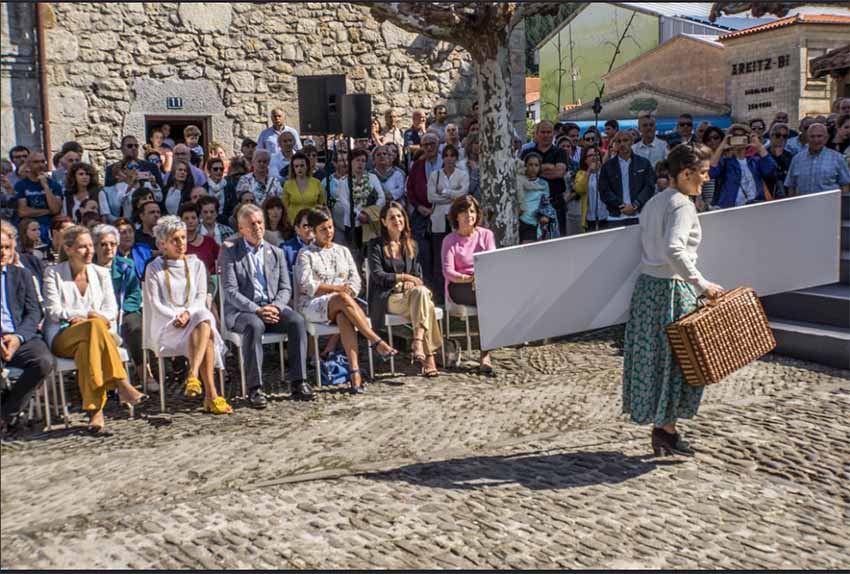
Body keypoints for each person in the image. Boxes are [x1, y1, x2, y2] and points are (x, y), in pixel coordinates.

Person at [622, 143, 724, 457]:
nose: (706, 178)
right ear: (686, 173)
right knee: (679, 362)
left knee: (656, 360)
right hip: (670, 290)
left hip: (648, 289)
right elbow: (674, 249)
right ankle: (666, 430)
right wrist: (703, 284)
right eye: (703, 173)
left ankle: (664, 429)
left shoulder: (656, 201)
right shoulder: (682, 204)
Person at [43, 225, 148, 433]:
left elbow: (111, 310)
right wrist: (88, 315)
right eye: (83, 247)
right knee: (93, 325)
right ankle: (120, 382)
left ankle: (95, 413)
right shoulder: (53, 273)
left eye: (91, 245)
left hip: (92, 336)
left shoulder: (100, 273)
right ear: (69, 248)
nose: (90, 251)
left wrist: (90, 317)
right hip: (63, 335)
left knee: (88, 346)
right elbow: (53, 310)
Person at [295, 207, 398, 394]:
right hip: (313, 304)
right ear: (314, 231)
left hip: (344, 304)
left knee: (344, 315)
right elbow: (306, 285)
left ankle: (354, 374)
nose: (329, 232)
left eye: (331, 227)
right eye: (323, 229)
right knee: (342, 299)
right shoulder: (306, 254)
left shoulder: (342, 251)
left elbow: (355, 278)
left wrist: (349, 290)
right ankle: (375, 340)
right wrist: (338, 290)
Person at [221, 204, 312, 407]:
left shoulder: (275, 252)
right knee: (254, 325)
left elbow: (285, 288)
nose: (257, 228)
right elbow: (230, 291)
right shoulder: (230, 253)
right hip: (243, 311)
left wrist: (276, 307)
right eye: (251, 224)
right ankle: (255, 388)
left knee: (296, 321)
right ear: (241, 228)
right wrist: (257, 310)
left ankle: (300, 381)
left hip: (271, 307)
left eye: (260, 222)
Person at [143, 216, 232, 414]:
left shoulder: (196, 264)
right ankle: (211, 395)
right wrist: (177, 316)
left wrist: (187, 314)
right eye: (175, 239)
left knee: (203, 317)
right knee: (206, 332)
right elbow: (155, 302)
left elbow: (201, 297)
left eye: (183, 238)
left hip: (193, 320)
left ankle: (194, 375)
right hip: (169, 325)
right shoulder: (154, 268)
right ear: (163, 243)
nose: (181, 243)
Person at [367, 201, 442, 377]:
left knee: (421, 293)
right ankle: (429, 355)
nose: (397, 220)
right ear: (384, 222)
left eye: (400, 216)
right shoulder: (375, 245)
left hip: (411, 297)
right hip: (389, 298)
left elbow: (418, 276)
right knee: (427, 304)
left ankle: (418, 342)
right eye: (392, 217)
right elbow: (378, 275)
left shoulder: (411, 245)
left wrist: (413, 283)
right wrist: (405, 278)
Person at [0, 220, 53, 434]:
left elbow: (34, 312)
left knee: (43, 361)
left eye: (6, 248)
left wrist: (18, 337)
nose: (2, 252)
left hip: (20, 337)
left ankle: (6, 414)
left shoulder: (21, 275)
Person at [92, 224, 156, 393]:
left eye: (112, 244)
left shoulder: (126, 265)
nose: (108, 248)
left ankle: (145, 372)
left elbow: (135, 294)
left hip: (124, 310)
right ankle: (107, 379)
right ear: (95, 246)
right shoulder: (88, 268)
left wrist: (122, 311)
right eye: (103, 244)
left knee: (135, 326)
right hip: (97, 314)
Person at [440, 195, 496, 374]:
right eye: (464, 212)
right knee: (487, 299)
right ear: (456, 215)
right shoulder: (449, 240)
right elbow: (448, 272)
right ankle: (485, 354)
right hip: (459, 286)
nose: (468, 215)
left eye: (472, 211)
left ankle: (485, 352)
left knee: (487, 298)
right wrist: (469, 278)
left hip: (483, 284)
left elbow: (492, 262)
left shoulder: (486, 235)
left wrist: (479, 278)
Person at [709, 124, 776, 208]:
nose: (739, 139)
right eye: (735, 136)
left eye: (742, 136)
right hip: (732, 208)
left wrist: (758, 146)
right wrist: (722, 146)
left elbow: (771, 170)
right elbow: (711, 172)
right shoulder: (725, 162)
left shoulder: (755, 161)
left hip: (757, 206)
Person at [599, 131, 656, 228]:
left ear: (632, 142)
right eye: (618, 141)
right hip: (616, 217)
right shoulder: (607, 166)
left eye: (625, 140)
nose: (622, 144)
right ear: (615, 144)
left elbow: (649, 187)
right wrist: (621, 206)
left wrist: (635, 205)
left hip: (639, 215)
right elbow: (604, 190)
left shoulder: (644, 163)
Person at [332, 148, 384, 253]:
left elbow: (381, 197)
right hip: (353, 223)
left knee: (371, 251)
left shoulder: (372, 178)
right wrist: (359, 214)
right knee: (354, 252)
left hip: (371, 221)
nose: (360, 163)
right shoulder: (344, 181)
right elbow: (345, 202)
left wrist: (370, 213)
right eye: (357, 160)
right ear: (351, 162)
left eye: (363, 161)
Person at [520, 121, 568, 233]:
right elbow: (523, 174)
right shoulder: (527, 152)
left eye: (549, 132)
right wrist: (549, 167)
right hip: (532, 204)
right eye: (543, 132)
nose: (546, 135)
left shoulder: (560, 152)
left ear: (553, 134)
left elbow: (559, 173)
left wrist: (536, 171)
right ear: (536, 134)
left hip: (556, 203)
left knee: (558, 241)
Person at [406, 132, 441, 286]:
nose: (429, 147)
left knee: (439, 251)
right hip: (421, 214)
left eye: (432, 144)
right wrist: (419, 207)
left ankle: (440, 291)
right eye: (425, 145)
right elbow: (410, 189)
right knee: (423, 253)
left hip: (441, 213)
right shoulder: (417, 165)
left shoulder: (445, 163)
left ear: (438, 145)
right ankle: (427, 287)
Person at [785, 123, 850, 196]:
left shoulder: (837, 158)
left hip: (829, 205)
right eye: (812, 136)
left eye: (819, 136)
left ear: (826, 138)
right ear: (807, 138)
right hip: (803, 205)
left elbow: (845, 185)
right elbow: (791, 186)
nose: (816, 140)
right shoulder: (797, 159)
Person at [14, 151, 63, 246]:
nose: (40, 165)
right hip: (30, 232)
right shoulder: (21, 185)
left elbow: (56, 209)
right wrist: (48, 211)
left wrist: (46, 187)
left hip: (50, 230)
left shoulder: (54, 185)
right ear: (28, 165)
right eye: (36, 162)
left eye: (42, 161)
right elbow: (23, 211)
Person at [516, 152, 552, 244]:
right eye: (530, 164)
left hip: (533, 221)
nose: (533, 168)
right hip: (517, 219)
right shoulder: (518, 180)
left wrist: (545, 216)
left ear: (540, 167)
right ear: (525, 166)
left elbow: (546, 203)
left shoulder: (543, 184)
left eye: (536, 165)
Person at [282, 152, 325, 225]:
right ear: (293, 168)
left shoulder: (316, 183)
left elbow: (322, 205)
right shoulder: (288, 184)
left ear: (307, 166)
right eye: (296, 166)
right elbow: (285, 206)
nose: (299, 168)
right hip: (293, 223)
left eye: (302, 166)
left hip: (312, 222)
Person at [179, 203, 219, 277]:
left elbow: (220, 262)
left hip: (211, 283)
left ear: (198, 219)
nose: (190, 221)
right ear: (181, 220)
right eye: (186, 218)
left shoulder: (210, 241)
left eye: (193, 218)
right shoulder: (178, 244)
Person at [573, 146, 606, 232]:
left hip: (607, 216)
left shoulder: (606, 172)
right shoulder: (581, 174)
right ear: (585, 160)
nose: (595, 157)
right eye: (591, 155)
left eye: (597, 154)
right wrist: (589, 171)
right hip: (590, 219)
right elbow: (580, 189)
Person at [283, 208, 313, 286]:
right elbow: (285, 278)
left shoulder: (322, 247)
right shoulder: (286, 249)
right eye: (306, 226)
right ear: (297, 229)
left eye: (312, 225)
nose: (310, 229)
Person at [763, 123, 794, 200]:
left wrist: (780, 157)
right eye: (778, 135)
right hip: (766, 196)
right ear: (771, 136)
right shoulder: (763, 154)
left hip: (785, 196)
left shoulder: (790, 156)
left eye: (785, 136)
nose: (781, 138)